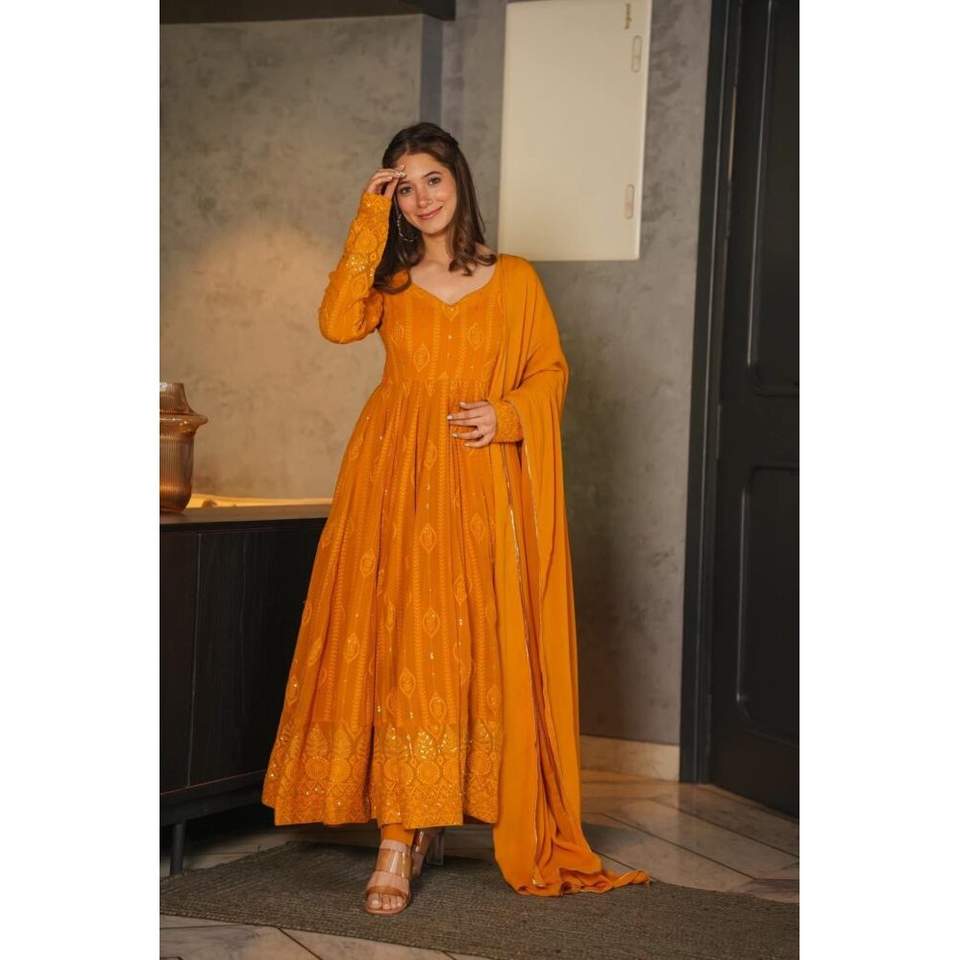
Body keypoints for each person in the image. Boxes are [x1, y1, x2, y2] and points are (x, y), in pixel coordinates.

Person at [262, 122, 651, 914]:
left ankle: (432, 814)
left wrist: (506, 417)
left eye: (431, 179)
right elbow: (337, 323)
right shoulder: (389, 280)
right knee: (399, 638)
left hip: (476, 482)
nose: (421, 197)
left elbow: (550, 371)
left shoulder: (514, 280)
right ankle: (396, 836)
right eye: (402, 186)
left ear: (458, 180)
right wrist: (367, 220)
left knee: (464, 645)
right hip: (392, 479)